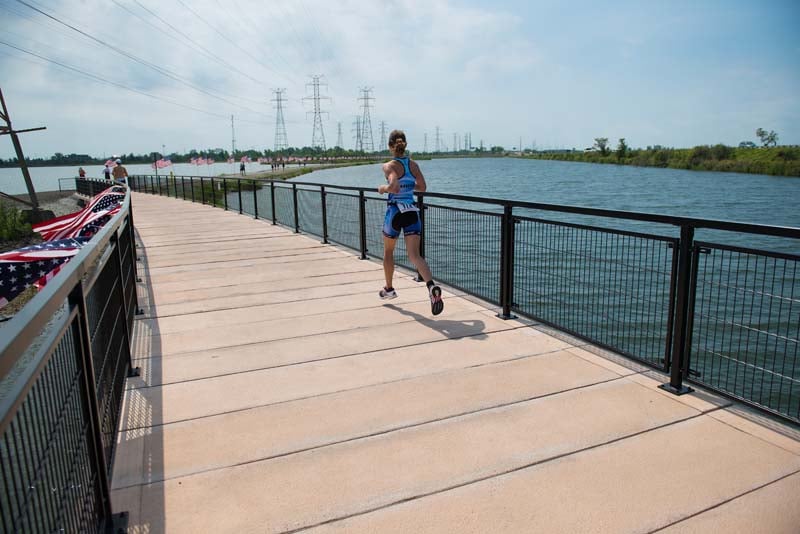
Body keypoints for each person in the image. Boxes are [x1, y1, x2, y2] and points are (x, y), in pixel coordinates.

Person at [377, 129, 444, 315]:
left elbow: (393, 186)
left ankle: (389, 289)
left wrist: (382, 189)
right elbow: (422, 187)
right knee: (415, 256)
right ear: (404, 144)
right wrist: (409, 185)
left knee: (388, 251)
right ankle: (431, 287)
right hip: (412, 212)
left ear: (391, 146)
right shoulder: (413, 165)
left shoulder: (388, 166)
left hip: (395, 211)